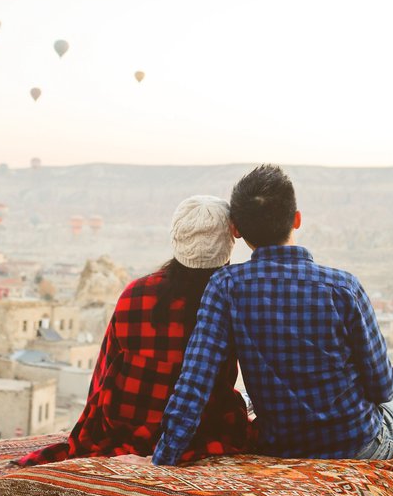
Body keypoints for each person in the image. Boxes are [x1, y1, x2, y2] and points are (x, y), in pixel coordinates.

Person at [153, 165, 393, 466]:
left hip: (279, 445)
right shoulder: (343, 287)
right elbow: (381, 386)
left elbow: (195, 381)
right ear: (297, 219)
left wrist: (163, 459)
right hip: (355, 444)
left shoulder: (226, 286)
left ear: (236, 230)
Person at [16, 196, 253, 468]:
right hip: (200, 426)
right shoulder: (232, 300)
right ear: (228, 244)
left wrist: (91, 427)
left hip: (125, 423)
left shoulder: (136, 293)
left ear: (177, 239)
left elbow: (104, 371)